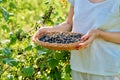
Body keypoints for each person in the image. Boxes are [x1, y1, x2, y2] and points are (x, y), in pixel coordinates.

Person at [33, 0, 120, 80]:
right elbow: (69, 24)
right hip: (79, 65)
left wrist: (99, 34)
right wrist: (50, 29)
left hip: (107, 69)